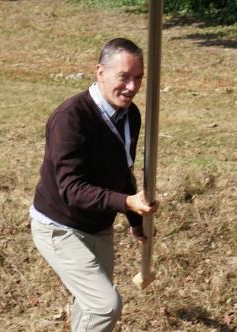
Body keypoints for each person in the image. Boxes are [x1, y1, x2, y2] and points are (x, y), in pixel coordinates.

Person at [30, 38, 159, 331]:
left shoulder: (131, 115)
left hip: (98, 226)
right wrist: (126, 202)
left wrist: (134, 218)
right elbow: (71, 188)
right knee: (105, 305)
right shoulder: (70, 118)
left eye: (138, 78)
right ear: (100, 72)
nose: (132, 87)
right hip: (59, 227)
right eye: (124, 77)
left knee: (90, 305)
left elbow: (122, 170)